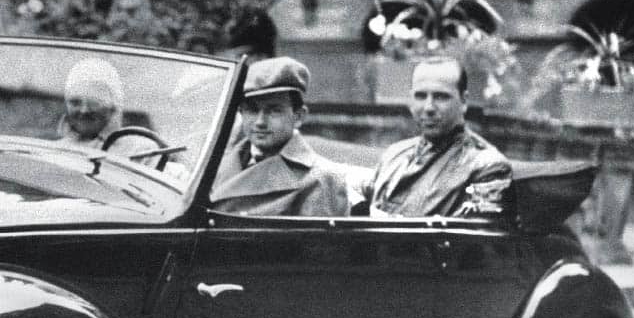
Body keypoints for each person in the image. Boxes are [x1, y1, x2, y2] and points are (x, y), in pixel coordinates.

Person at [363, 55, 512, 217]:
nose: (429, 107)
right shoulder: (394, 155)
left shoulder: (487, 166)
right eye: (420, 96)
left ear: (464, 101)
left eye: (441, 96)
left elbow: (470, 238)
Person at [212, 57, 350, 216]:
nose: (260, 122)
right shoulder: (220, 163)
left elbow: (314, 241)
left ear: (298, 116)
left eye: (274, 111)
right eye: (252, 110)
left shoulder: (321, 180)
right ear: (240, 112)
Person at [57, 57, 127, 148]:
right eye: (75, 103)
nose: (84, 110)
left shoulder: (140, 151)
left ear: (113, 107)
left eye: (94, 103)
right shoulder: (50, 150)